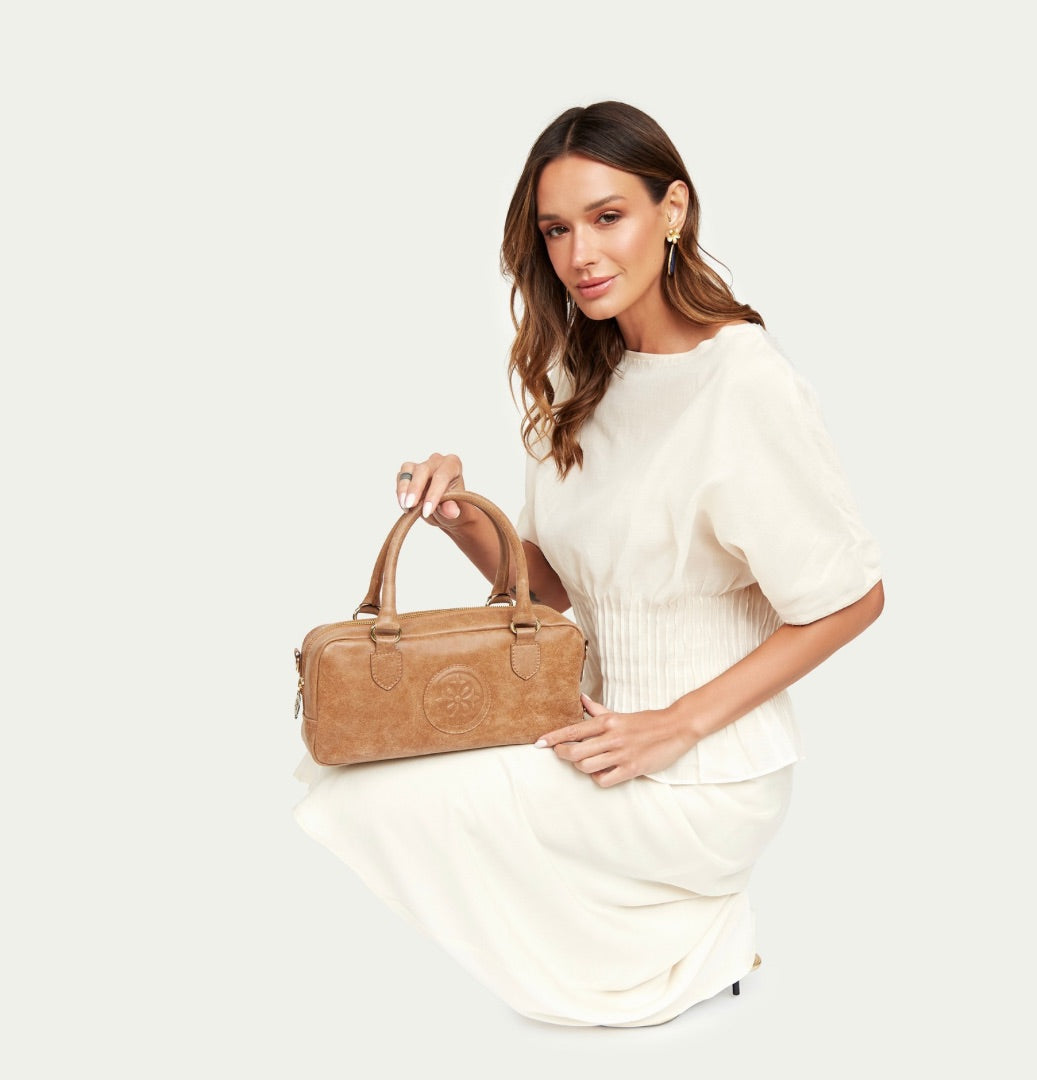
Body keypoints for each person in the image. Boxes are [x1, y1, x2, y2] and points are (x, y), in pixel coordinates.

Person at [293, 100, 884, 1028]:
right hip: (590, 731)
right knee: (346, 764)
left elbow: (851, 600)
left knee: (381, 797)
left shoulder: (743, 382)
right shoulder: (579, 372)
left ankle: (686, 932)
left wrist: (673, 726)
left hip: (705, 770)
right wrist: (456, 514)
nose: (580, 254)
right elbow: (554, 588)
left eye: (609, 217)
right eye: (556, 230)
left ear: (672, 210)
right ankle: (682, 940)